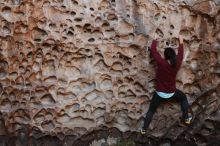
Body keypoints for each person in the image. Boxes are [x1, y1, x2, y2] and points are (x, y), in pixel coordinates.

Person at [140, 33, 192, 135]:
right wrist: (181, 42)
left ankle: (144, 130)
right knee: (183, 97)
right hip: (172, 93)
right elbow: (181, 55)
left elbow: (154, 51)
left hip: (159, 94)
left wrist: (155, 40)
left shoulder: (161, 62)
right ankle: (186, 118)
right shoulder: (176, 64)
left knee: (151, 110)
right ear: (173, 55)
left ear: (165, 55)